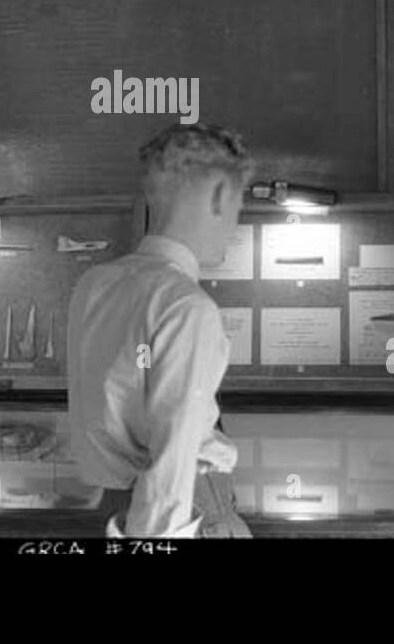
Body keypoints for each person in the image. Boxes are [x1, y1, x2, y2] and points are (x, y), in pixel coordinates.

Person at [67, 122, 254, 537]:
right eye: (240, 204)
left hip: (110, 502)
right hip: (187, 513)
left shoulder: (94, 284)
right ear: (221, 196)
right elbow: (175, 458)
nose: (235, 223)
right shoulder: (188, 307)